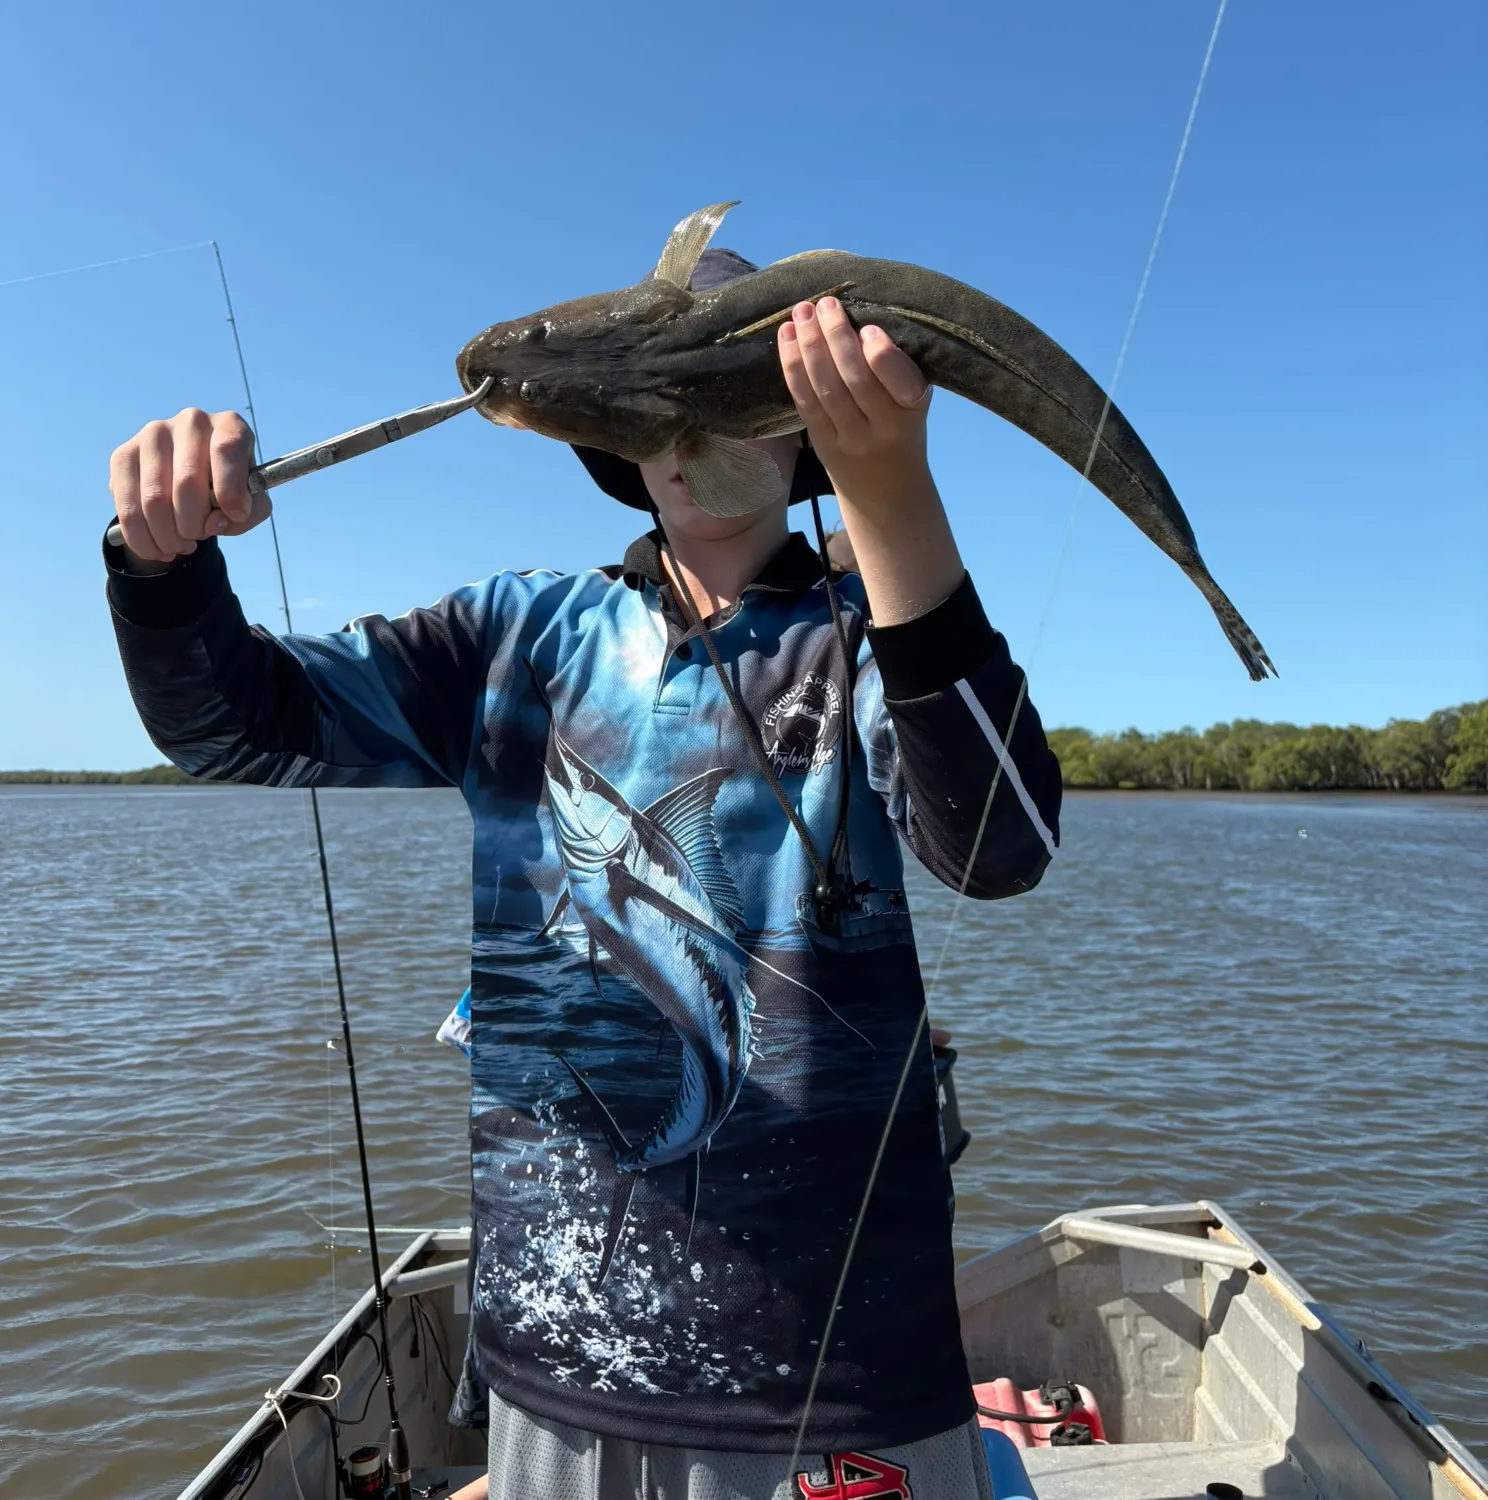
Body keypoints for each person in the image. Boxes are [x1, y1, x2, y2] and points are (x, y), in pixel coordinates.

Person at [106, 243, 1061, 1500]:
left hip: (845, 1375)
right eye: (657, 398)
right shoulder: (520, 636)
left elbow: (1000, 848)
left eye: (738, 378)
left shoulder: (880, 637)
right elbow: (234, 727)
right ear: (612, 438)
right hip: (556, 1365)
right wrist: (160, 568)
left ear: (802, 421)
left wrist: (893, 497)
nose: (691, 427)